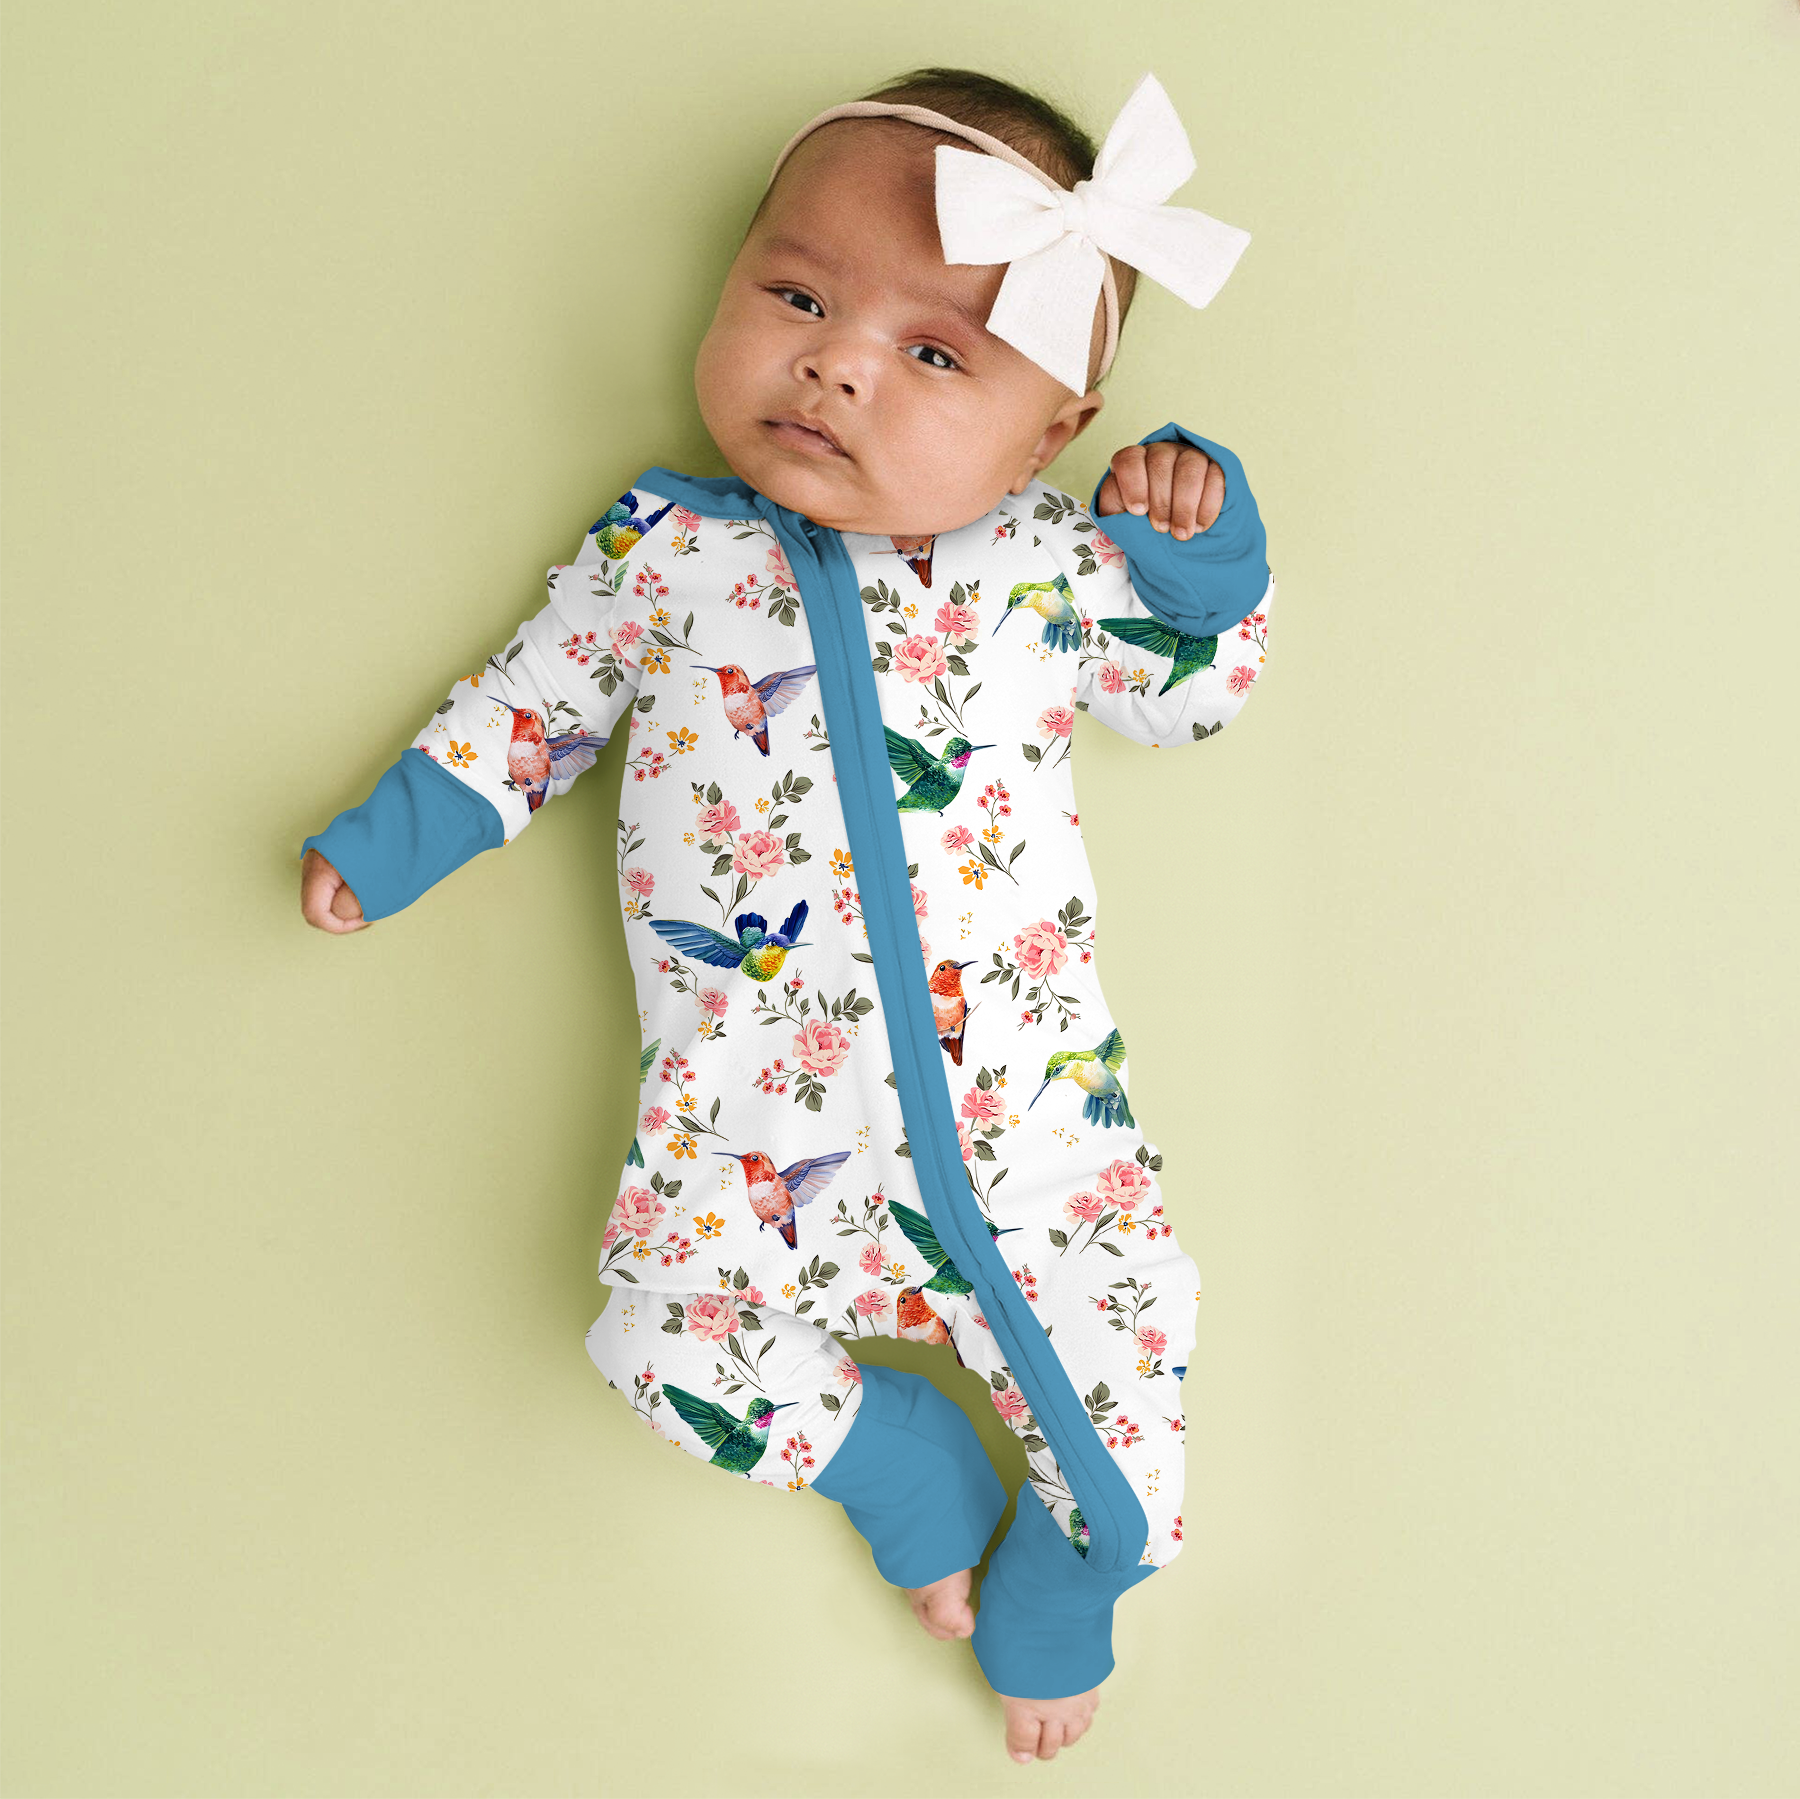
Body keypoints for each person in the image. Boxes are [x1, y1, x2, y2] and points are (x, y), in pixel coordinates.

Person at [299, 66, 1273, 1766]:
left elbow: (1192, 695)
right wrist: (396, 839)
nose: (836, 364)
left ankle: (1065, 1581)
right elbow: (531, 707)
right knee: (652, 1341)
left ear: (1046, 435)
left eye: (936, 354)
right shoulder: (660, 553)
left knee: (1130, 1481)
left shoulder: (1049, 566)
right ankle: (904, 1461)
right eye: (800, 298)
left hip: (1038, 1153)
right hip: (748, 1128)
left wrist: (1195, 554)